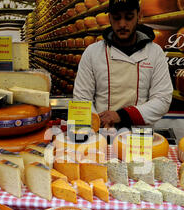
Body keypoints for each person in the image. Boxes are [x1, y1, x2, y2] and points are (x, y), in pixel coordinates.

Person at [72, 0, 173, 129]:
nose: (122, 24)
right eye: (116, 18)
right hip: (101, 132)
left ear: (139, 16)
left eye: (129, 17)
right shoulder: (92, 52)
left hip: (139, 136)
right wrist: (97, 122)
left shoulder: (154, 52)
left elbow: (162, 99)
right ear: (109, 18)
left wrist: (121, 115)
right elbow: (81, 98)